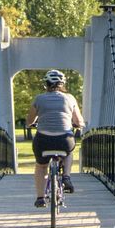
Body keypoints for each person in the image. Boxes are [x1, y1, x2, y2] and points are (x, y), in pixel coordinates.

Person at [25, 69, 84, 207]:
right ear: (62, 84)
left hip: (43, 140)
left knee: (41, 166)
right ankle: (66, 177)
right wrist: (77, 124)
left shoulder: (39, 99)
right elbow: (79, 121)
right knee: (69, 153)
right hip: (64, 139)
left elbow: (29, 121)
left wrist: (31, 124)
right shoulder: (70, 98)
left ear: (46, 84)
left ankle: (40, 198)